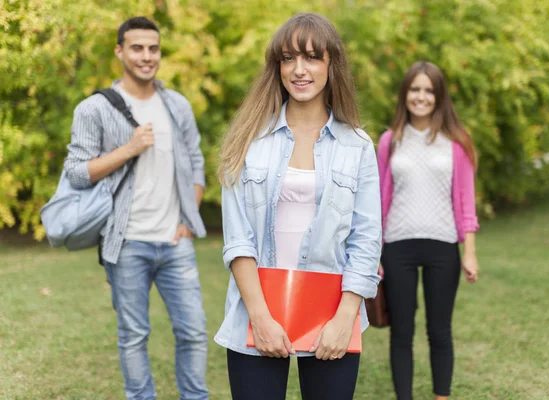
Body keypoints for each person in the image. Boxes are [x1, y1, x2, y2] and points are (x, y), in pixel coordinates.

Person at [215, 12, 381, 400]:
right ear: (277, 67)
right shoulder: (246, 140)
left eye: (311, 57)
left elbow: (366, 240)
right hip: (256, 312)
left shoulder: (358, 146)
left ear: (331, 65)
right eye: (288, 58)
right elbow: (237, 239)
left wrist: (345, 318)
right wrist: (260, 316)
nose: (299, 69)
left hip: (332, 317)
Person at [63, 16, 209, 400]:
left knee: (193, 332)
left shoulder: (176, 104)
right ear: (120, 51)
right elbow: (77, 173)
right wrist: (128, 149)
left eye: (153, 48)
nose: (147, 56)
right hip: (126, 242)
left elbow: (196, 162)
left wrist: (187, 221)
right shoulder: (93, 109)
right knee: (133, 336)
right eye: (137, 48)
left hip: (176, 242)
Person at [377, 61, 480, 400]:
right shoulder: (389, 141)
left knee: (440, 331)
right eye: (415, 89)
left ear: (439, 96)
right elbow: (379, 199)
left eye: (428, 90)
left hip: (442, 246)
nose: (421, 96)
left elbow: (465, 201)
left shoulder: (456, 143)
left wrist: (470, 252)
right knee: (402, 333)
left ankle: (441, 396)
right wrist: (374, 252)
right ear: (405, 93)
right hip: (397, 246)